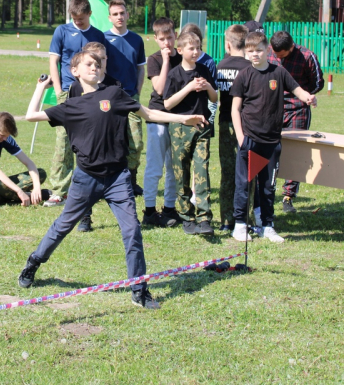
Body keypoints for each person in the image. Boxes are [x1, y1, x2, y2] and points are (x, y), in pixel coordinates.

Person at [18, 50, 207, 309]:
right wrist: (40, 87)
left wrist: (183, 118)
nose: (94, 67)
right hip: (86, 178)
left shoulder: (114, 94)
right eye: (88, 64)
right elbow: (31, 115)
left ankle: (139, 290)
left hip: (118, 177)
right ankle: (34, 262)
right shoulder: (71, 106)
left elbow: (149, 114)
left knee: (132, 231)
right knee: (63, 225)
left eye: (97, 64)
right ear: (75, 71)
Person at [230, 31, 317, 243]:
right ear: (246, 52)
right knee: (244, 184)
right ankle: (240, 225)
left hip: (272, 142)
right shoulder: (244, 76)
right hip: (250, 140)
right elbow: (235, 109)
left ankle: (267, 226)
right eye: (251, 51)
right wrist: (241, 138)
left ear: (267, 50)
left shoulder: (278, 73)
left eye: (259, 50)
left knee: (268, 187)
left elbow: (297, 89)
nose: (255, 54)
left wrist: (308, 97)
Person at [44, 0, 106, 207]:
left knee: (92, 140)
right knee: (63, 141)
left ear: (89, 14)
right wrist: (59, 91)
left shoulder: (98, 35)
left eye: (81, 18)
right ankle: (59, 191)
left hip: (91, 93)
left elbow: (102, 64)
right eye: (74, 18)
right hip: (68, 92)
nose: (77, 21)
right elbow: (54, 61)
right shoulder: (61, 31)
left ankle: (95, 187)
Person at [163, 31, 218, 236]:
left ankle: (204, 218)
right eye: (191, 48)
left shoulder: (204, 70)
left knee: (202, 170)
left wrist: (208, 86)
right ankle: (187, 216)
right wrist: (188, 88)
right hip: (180, 128)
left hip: (202, 127)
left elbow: (214, 98)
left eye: (198, 48)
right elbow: (167, 104)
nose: (195, 52)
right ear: (180, 50)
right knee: (182, 172)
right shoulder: (174, 74)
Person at [66, 41, 121, 232]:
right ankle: (85, 217)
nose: (97, 64)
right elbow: (70, 114)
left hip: (108, 144)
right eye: (91, 61)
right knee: (85, 181)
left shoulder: (114, 85)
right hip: (85, 143)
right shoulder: (76, 86)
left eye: (102, 59)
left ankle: (125, 219)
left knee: (116, 182)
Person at [268, 30, 324, 214]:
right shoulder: (268, 53)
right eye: (276, 55)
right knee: (269, 149)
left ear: (291, 47)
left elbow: (318, 83)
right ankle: (267, 190)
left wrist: (305, 95)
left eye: (282, 56)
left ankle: (288, 196)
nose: (278, 58)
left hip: (298, 109)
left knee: (295, 152)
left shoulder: (307, 57)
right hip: (273, 108)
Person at [104, 0, 147, 197]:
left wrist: (137, 91)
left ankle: (131, 180)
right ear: (109, 17)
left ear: (127, 15)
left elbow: (140, 69)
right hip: (109, 99)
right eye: (115, 14)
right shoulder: (103, 39)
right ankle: (110, 183)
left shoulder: (136, 40)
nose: (119, 17)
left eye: (122, 13)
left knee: (135, 142)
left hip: (131, 98)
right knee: (111, 142)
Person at [143, 17, 183, 228]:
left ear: (176, 35)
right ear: (156, 39)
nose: (166, 42)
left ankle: (169, 208)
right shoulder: (154, 60)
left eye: (169, 37)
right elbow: (159, 89)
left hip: (178, 117)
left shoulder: (183, 57)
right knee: (155, 166)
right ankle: (149, 211)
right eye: (162, 39)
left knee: (173, 167)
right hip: (158, 116)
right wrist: (166, 61)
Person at [214, 24, 251, 231]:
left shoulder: (220, 66)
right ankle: (245, 218)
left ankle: (226, 220)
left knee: (227, 172)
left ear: (227, 45)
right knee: (247, 172)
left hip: (225, 123)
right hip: (247, 125)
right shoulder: (250, 67)